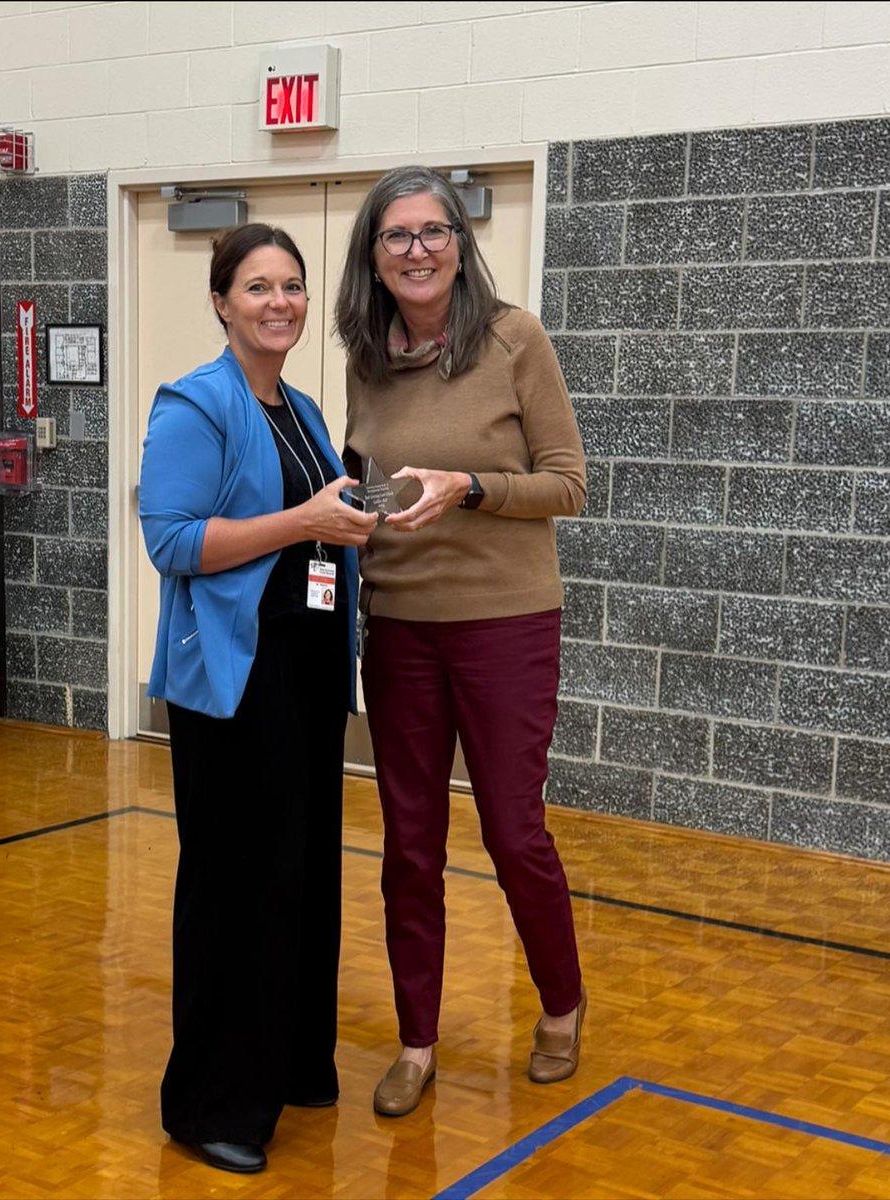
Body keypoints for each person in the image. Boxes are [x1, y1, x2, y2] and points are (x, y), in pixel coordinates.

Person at [334, 166, 588, 1118]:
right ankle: (416, 1041)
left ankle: (560, 1006)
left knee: (513, 832)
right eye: (397, 236)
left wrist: (470, 486)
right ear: (374, 254)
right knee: (409, 847)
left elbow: (568, 484)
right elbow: (373, 480)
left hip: (506, 625)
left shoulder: (515, 338)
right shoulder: (366, 355)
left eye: (434, 230)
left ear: (459, 240)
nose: (418, 250)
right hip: (398, 630)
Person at [139, 224, 377, 1173]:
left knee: (301, 875)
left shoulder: (303, 408)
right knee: (235, 887)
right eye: (257, 287)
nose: (279, 303)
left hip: (307, 677)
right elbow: (176, 543)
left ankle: (286, 1064)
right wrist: (307, 520)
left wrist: (355, 515)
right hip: (232, 688)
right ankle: (209, 1104)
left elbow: (315, 531)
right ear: (221, 303)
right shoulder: (193, 405)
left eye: (292, 287)